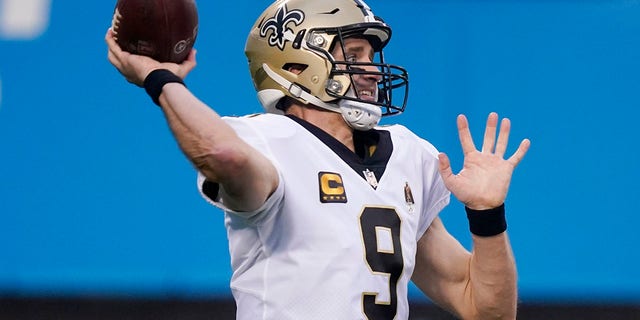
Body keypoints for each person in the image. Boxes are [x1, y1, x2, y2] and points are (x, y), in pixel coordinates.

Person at [106, 0, 530, 319]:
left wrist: (487, 216)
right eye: (354, 54)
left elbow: (485, 309)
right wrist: (159, 79)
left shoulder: (406, 156)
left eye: (370, 55)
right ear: (297, 64)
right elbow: (222, 153)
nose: (370, 70)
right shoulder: (266, 140)